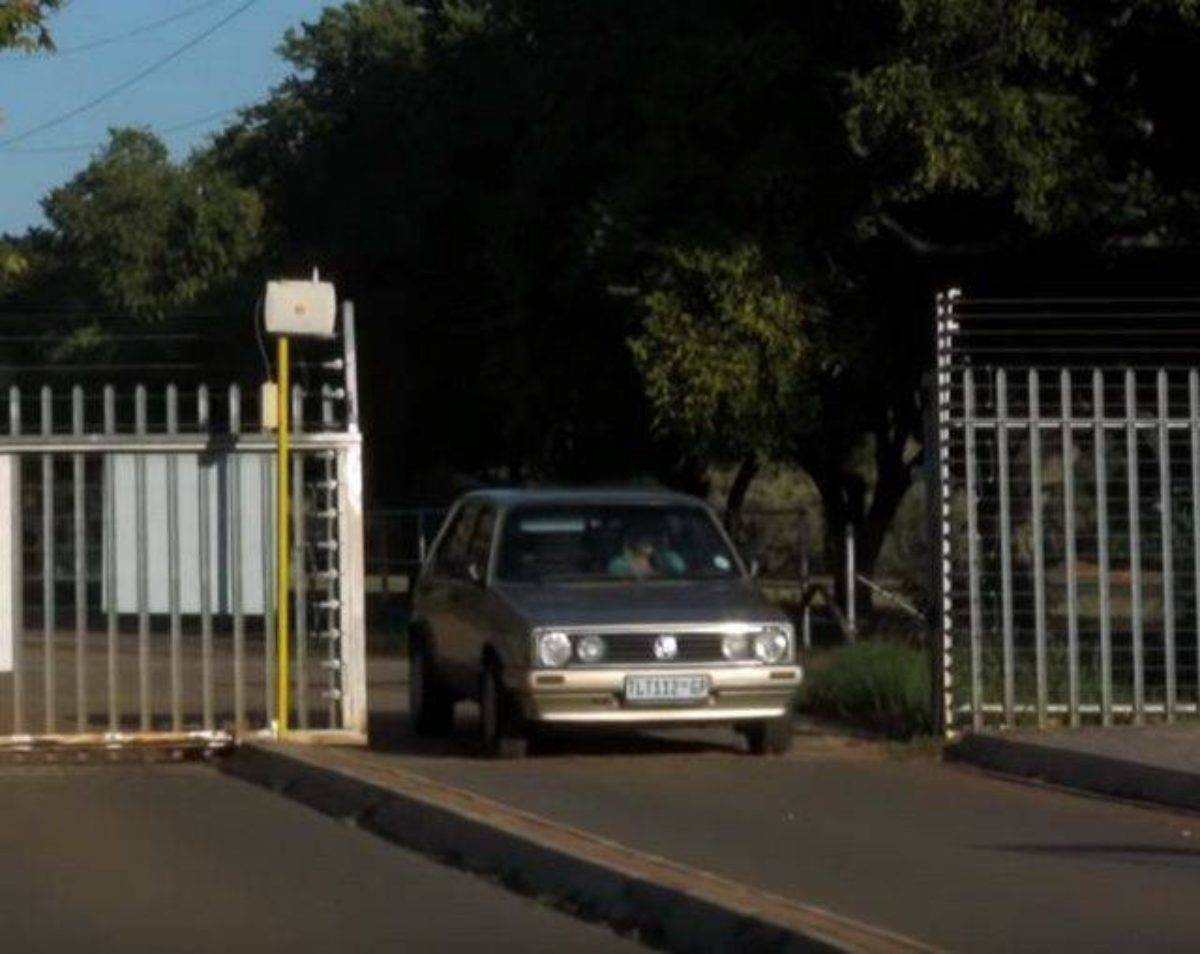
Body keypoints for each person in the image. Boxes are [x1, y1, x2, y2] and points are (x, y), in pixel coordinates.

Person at [607, 526, 685, 578]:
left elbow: (679, 568)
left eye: (652, 537)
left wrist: (660, 556)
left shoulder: (665, 557)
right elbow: (617, 570)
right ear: (633, 540)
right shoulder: (619, 562)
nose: (648, 540)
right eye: (642, 537)